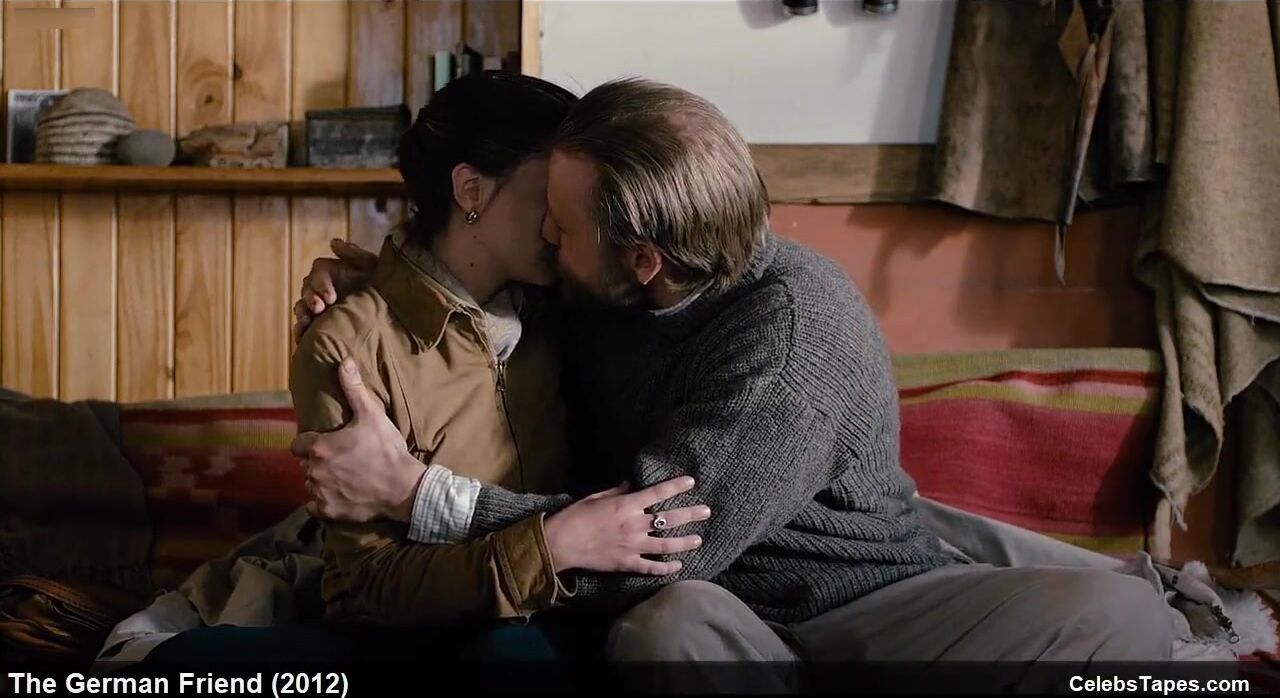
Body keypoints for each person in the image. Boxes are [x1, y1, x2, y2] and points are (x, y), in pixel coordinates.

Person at [293, 77, 1175, 691]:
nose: (550, 242)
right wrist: (377, 286)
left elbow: (641, 545)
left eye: (561, 226)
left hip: (862, 605)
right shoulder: (593, 291)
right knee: (667, 630)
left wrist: (420, 495)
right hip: (722, 616)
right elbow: (459, 302)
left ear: (642, 259)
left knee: (1120, 620)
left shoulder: (790, 340)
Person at [144, 73, 709, 680]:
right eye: (548, 195)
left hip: (559, 615)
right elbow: (370, 583)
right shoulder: (347, 346)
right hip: (407, 631)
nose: (558, 225)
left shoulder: (572, 306)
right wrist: (546, 548)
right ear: (470, 189)